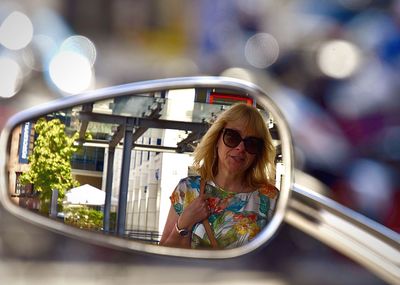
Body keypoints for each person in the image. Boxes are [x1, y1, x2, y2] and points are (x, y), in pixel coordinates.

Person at [159, 103, 279, 249]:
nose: (240, 148)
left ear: (258, 153)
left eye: (251, 143)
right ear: (217, 139)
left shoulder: (271, 199)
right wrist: (183, 224)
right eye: (232, 137)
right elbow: (163, 255)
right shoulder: (187, 190)